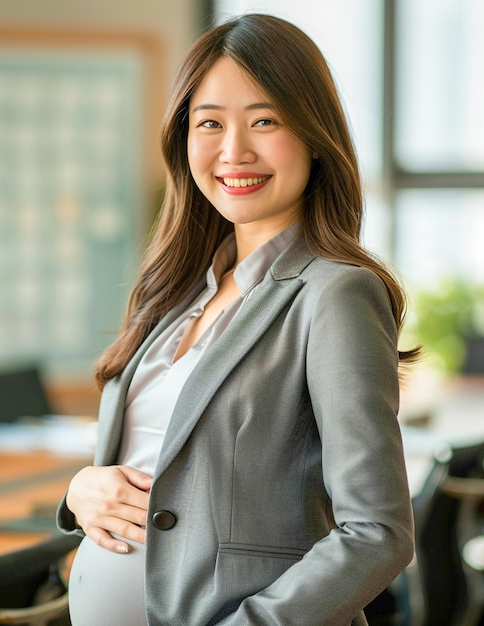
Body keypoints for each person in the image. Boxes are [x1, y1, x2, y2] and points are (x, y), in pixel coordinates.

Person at [57, 13, 419, 625]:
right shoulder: (171, 295)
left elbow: (378, 531)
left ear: (312, 134)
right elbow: (153, 468)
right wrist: (79, 493)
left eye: (264, 121)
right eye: (209, 124)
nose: (234, 151)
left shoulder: (336, 293)